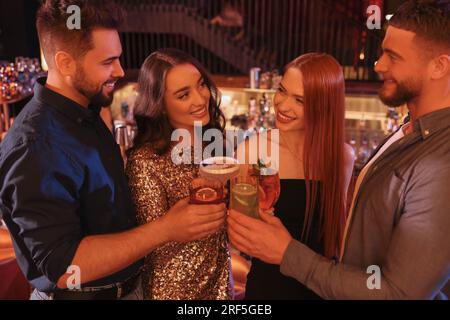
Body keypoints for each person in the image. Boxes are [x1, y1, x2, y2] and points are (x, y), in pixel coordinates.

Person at [0, 0, 226, 300]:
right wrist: (167, 228)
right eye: (107, 62)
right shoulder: (35, 145)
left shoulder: (88, 111)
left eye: (118, 58)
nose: (120, 70)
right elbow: (63, 267)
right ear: (66, 63)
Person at [228, 0, 450, 299]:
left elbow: (401, 293)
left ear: (439, 66)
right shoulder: (408, 130)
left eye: (393, 57)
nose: (378, 65)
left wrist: (287, 253)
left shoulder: (439, 161)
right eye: (282, 91)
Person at [234, 53, 355, 299]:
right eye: (282, 90)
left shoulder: (341, 156)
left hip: (320, 288)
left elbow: (337, 240)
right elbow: (239, 234)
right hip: (267, 289)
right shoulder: (254, 150)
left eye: (300, 100)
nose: (283, 105)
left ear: (324, 105)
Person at [126, 48, 233, 300]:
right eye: (184, 95)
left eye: (201, 85)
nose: (200, 99)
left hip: (221, 284)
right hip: (174, 292)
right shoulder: (145, 161)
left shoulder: (213, 143)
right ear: (160, 105)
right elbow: (151, 245)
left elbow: (223, 229)